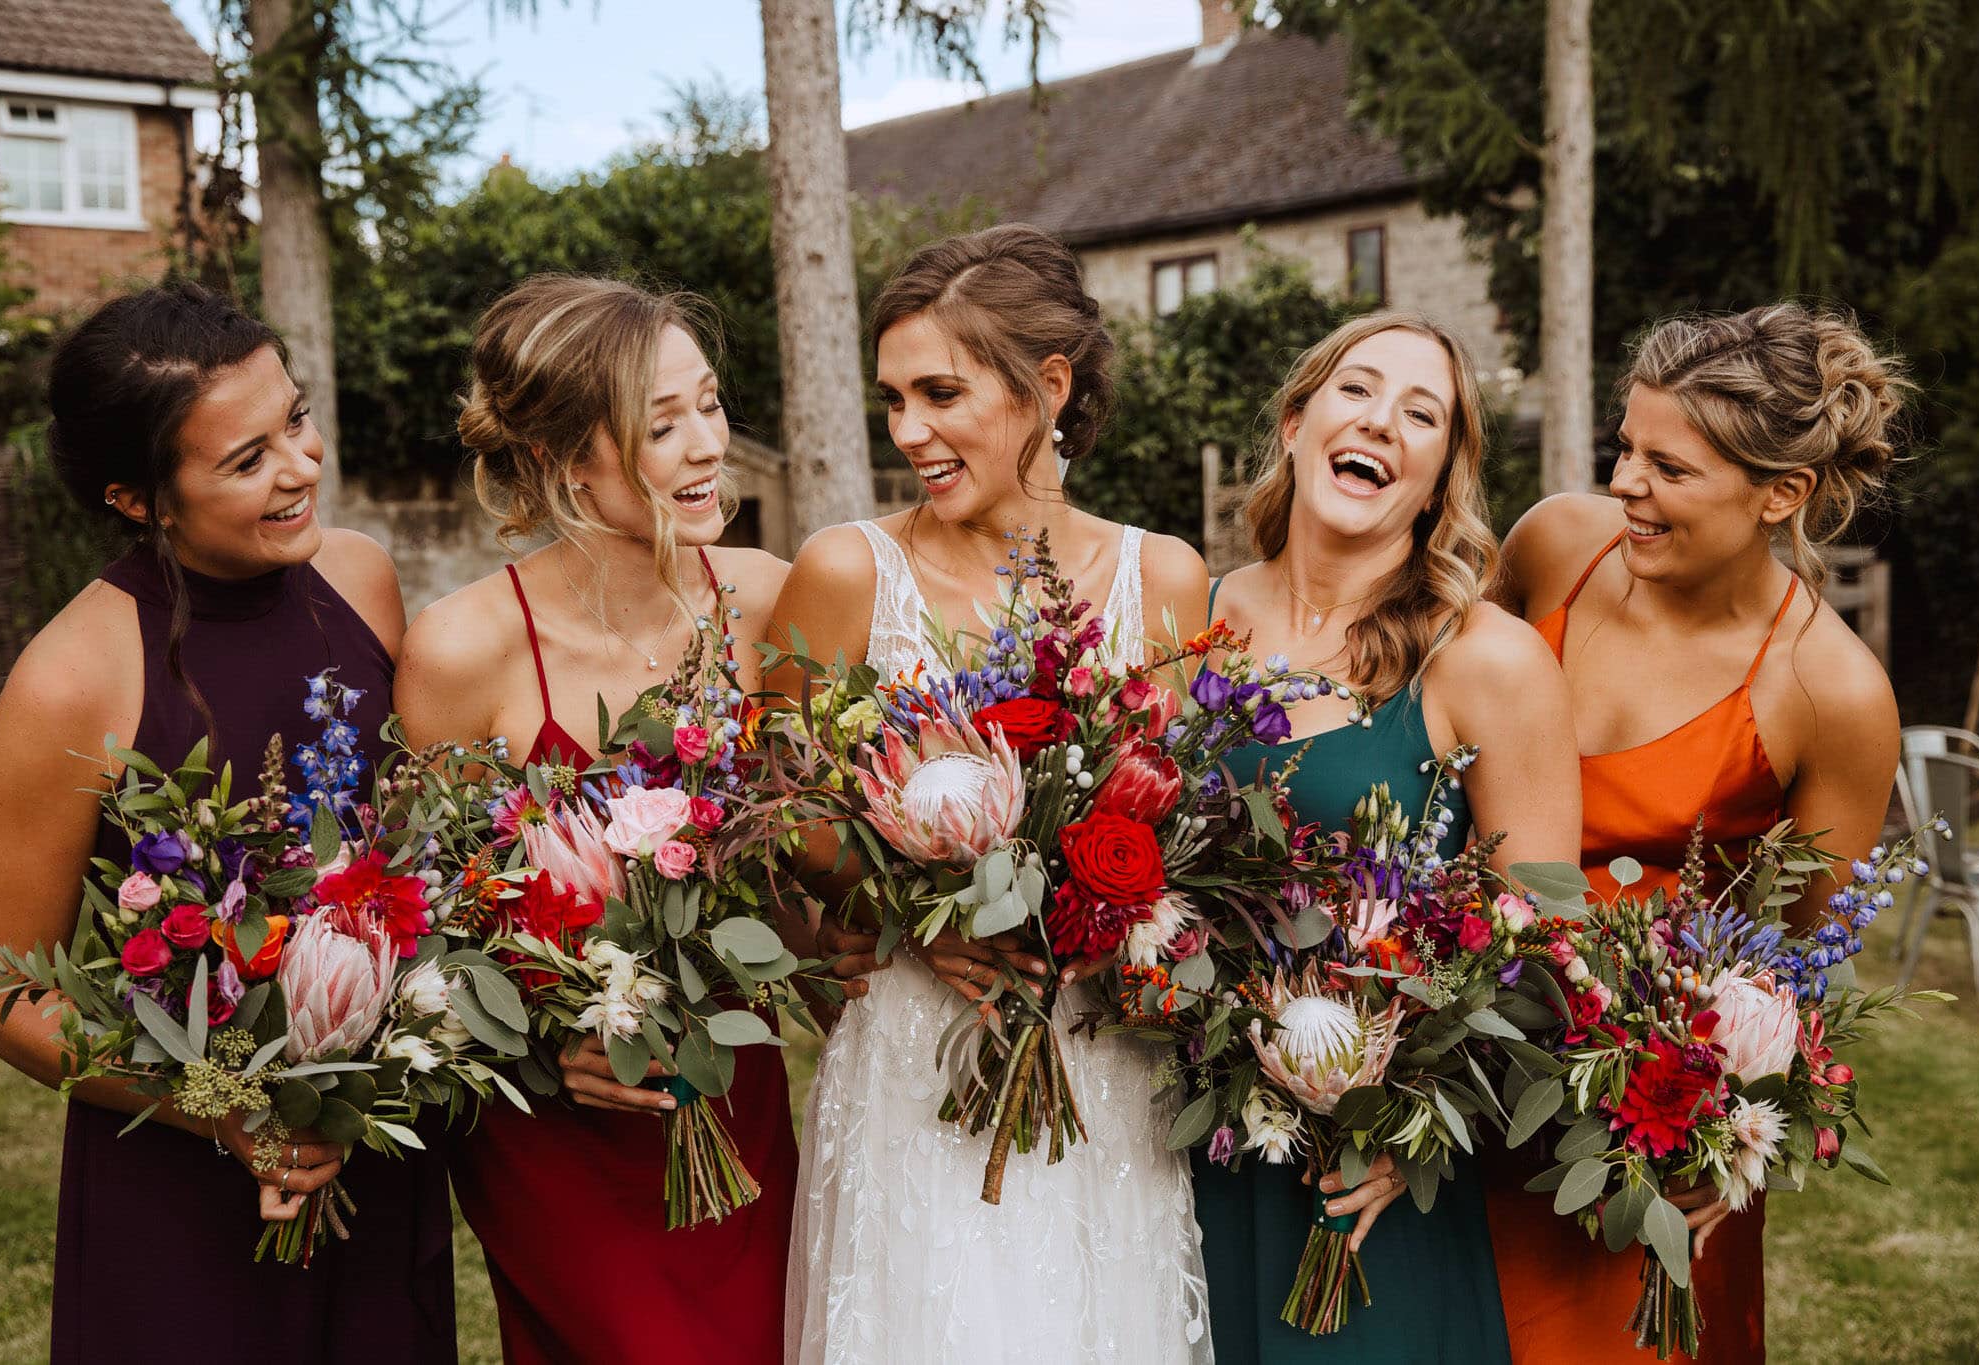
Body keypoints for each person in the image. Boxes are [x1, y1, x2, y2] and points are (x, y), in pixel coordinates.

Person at [0, 282, 452, 1362]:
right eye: (245, 460)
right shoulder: (71, 679)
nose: (299, 467)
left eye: (297, 418)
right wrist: (226, 1105)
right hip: (181, 1180)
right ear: (138, 498)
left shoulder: (362, 578)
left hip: (369, 1147)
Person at [772, 224, 1216, 1363]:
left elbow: (1179, 817)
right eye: (892, 399)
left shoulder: (1157, 576)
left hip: (1098, 1060)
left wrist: (1121, 918)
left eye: (939, 393)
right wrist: (917, 917)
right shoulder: (844, 573)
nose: (907, 431)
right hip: (917, 1052)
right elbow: (784, 810)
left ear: (1047, 386)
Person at [1485, 302, 1909, 1364]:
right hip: (1461, 1066)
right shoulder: (1553, 546)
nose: (1624, 483)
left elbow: (1799, 969)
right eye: (1623, 448)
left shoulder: (1831, 691)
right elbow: (1438, 714)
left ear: (1781, 493)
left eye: (1668, 469)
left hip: (1640, 1128)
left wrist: (1714, 1132)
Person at [394, 274, 797, 1363]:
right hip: (558, 1130)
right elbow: (429, 920)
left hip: (728, 1094)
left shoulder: (765, 598)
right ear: (566, 457)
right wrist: (545, 1036)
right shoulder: (460, 649)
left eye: (708, 404)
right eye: (660, 425)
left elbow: (809, 847)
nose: (706, 443)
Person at [1199, 312, 1582, 1362]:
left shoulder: (1485, 662)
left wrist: (1410, 1131)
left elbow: (1543, 944)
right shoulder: (1190, 612)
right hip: (1179, 1142)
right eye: (1356, 390)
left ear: (1438, 479)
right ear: (1294, 423)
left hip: (1358, 1175)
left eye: (1422, 414)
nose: (1381, 422)